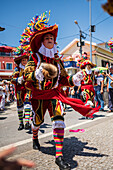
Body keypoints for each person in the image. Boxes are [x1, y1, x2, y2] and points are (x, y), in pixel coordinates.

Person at [21, 12, 99, 170]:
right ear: (42, 42)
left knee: (59, 121)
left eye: (52, 39)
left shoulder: (57, 60)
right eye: (47, 39)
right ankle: (35, 137)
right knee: (37, 122)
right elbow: (25, 75)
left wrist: (74, 79)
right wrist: (35, 75)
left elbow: (63, 80)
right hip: (39, 96)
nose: (51, 40)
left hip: (55, 95)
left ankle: (59, 156)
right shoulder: (35, 58)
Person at [11, 51, 32, 130]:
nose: (24, 62)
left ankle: (27, 122)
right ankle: (21, 123)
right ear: (20, 61)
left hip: (28, 89)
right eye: (23, 60)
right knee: (20, 106)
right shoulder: (17, 69)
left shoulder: (30, 69)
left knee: (27, 102)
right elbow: (12, 80)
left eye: (26, 60)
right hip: (19, 90)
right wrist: (19, 79)